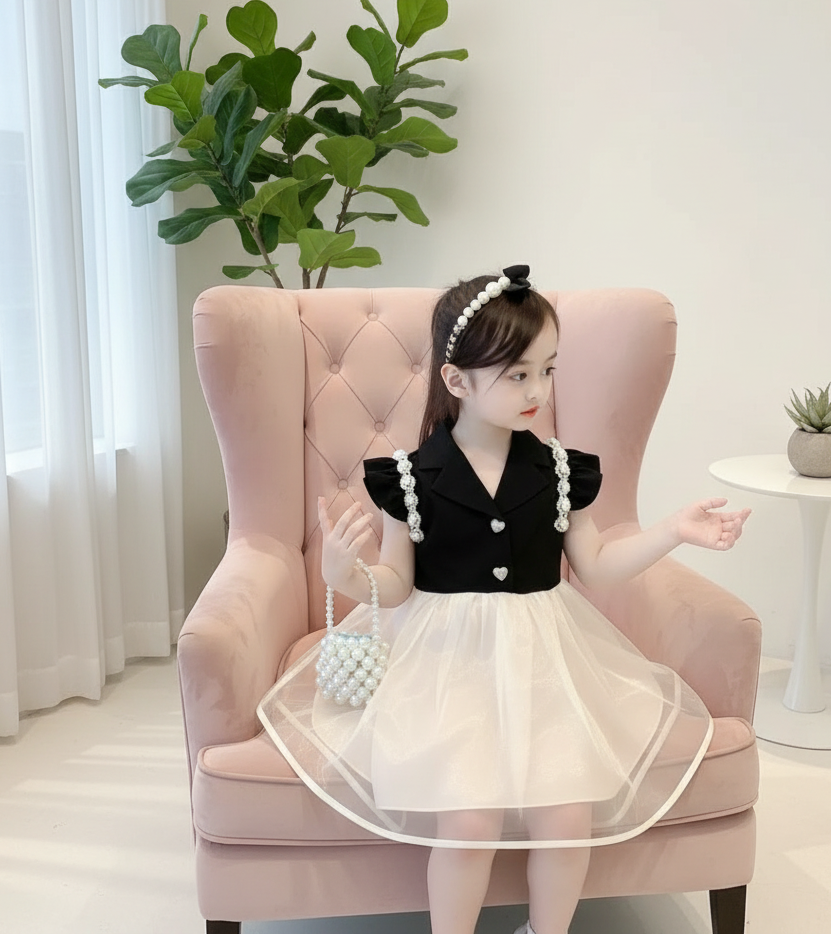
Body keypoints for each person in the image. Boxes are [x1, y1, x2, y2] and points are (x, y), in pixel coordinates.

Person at [258, 265, 750, 934]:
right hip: (445, 666)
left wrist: (672, 531)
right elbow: (395, 583)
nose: (538, 391)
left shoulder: (560, 470)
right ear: (457, 380)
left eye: (547, 370)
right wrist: (348, 575)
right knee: (468, 823)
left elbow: (596, 567)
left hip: (544, 662)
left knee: (567, 817)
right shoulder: (410, 478)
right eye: (517, 375)